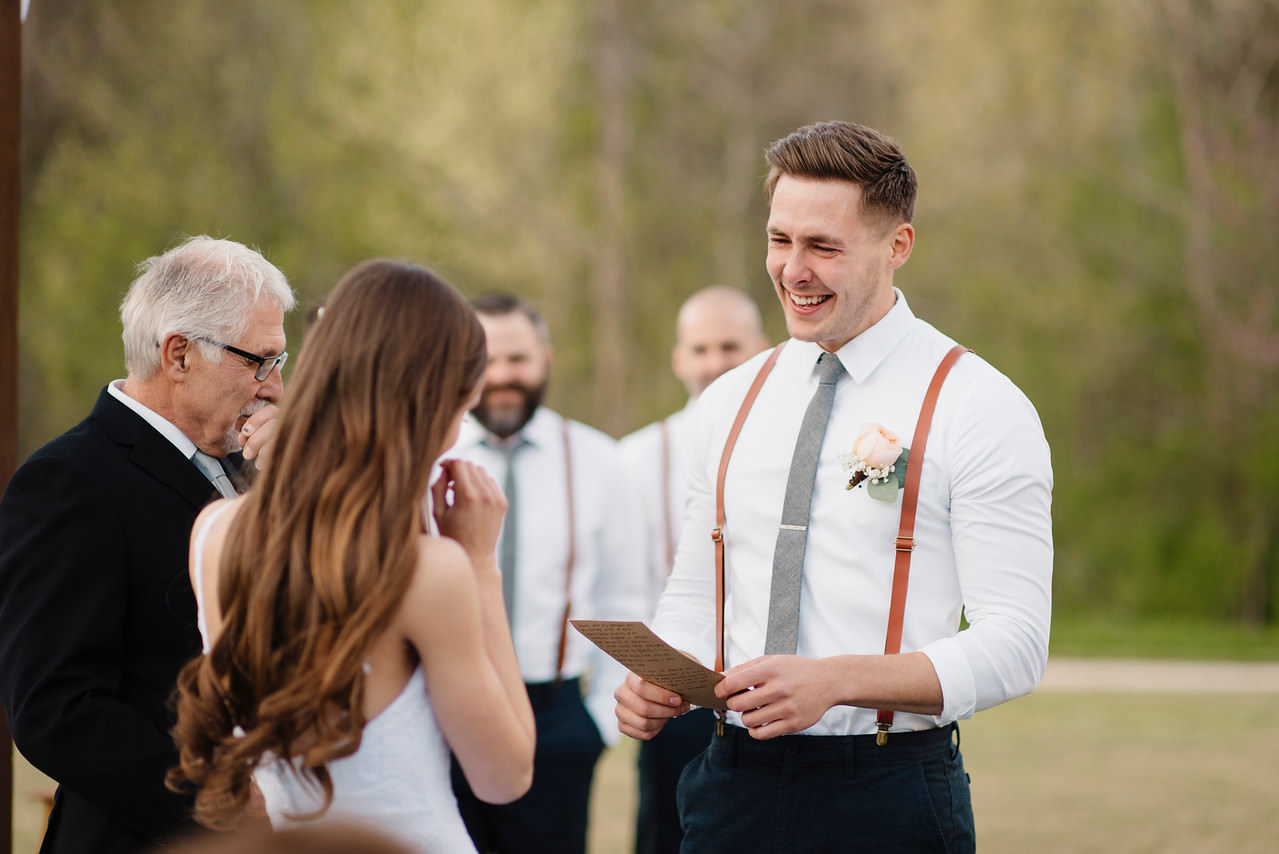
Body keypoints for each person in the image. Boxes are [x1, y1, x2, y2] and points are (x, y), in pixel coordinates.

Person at [614, 120, 1053, 852]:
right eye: (779, 240)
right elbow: (695, 595)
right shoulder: (727, 399)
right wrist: (660, 674)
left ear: (897, 247)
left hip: (887, 792)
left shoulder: (977, 404)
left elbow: (1015, 645)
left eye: (823, 247)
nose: (792, 270)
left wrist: (837, 680)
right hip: (730, 787)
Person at [167, 260, 536, 854]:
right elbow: (505, 777)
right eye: (461, 411)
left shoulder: (215, 533)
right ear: (434, 402)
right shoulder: (427, 571)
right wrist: (480, 565)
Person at [0, 235, 295, 854]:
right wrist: (223, 799)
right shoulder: (70, 481)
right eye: (258, 362)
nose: (274, 387)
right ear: (179, 354)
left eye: (279, 362)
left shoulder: (258, 467)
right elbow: (55, 708)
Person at [447, 293, 648, 854]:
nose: (504, 376)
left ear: (546, 359)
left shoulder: (599, 460)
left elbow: (625, 597)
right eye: (487, 361)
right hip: (444, 704)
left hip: (555, 718)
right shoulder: (429, 455)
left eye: (518, 359)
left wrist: (598, 725)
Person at [617, 286, 768, 854]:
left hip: (765, 693)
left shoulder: (782, 444)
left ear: (760, 348)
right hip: (671, 696)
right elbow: (623, 581)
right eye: (700, 349)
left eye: (729, 346)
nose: (714, 363)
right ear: (679, 359)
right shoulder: (633, 457)